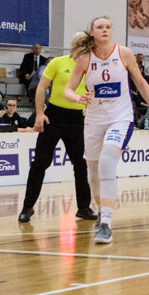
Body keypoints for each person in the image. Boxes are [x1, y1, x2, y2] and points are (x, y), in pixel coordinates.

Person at [59, 17, 149, 245]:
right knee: (93, 170)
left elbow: (141, 83)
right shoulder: (85, 58)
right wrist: (78, 98)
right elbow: (67, 90)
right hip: (94, 120)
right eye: (100, 27)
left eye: (108, 27)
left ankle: (106, 223)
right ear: (92, 32)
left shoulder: (124, 53)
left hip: (120, 118)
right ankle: (100, 211)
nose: (105, 30)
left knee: (107, 162)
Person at [21, 49, 95, 225]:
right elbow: (41, 87)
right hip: (54, 117)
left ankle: (84, 208)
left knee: (80, 164)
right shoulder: (57, 62)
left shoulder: (93, 66)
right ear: (73, 46)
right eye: (80, 44)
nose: (84, 47)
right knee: (40, 162)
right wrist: (40, 114)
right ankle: (27, 207)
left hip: (77, 119)